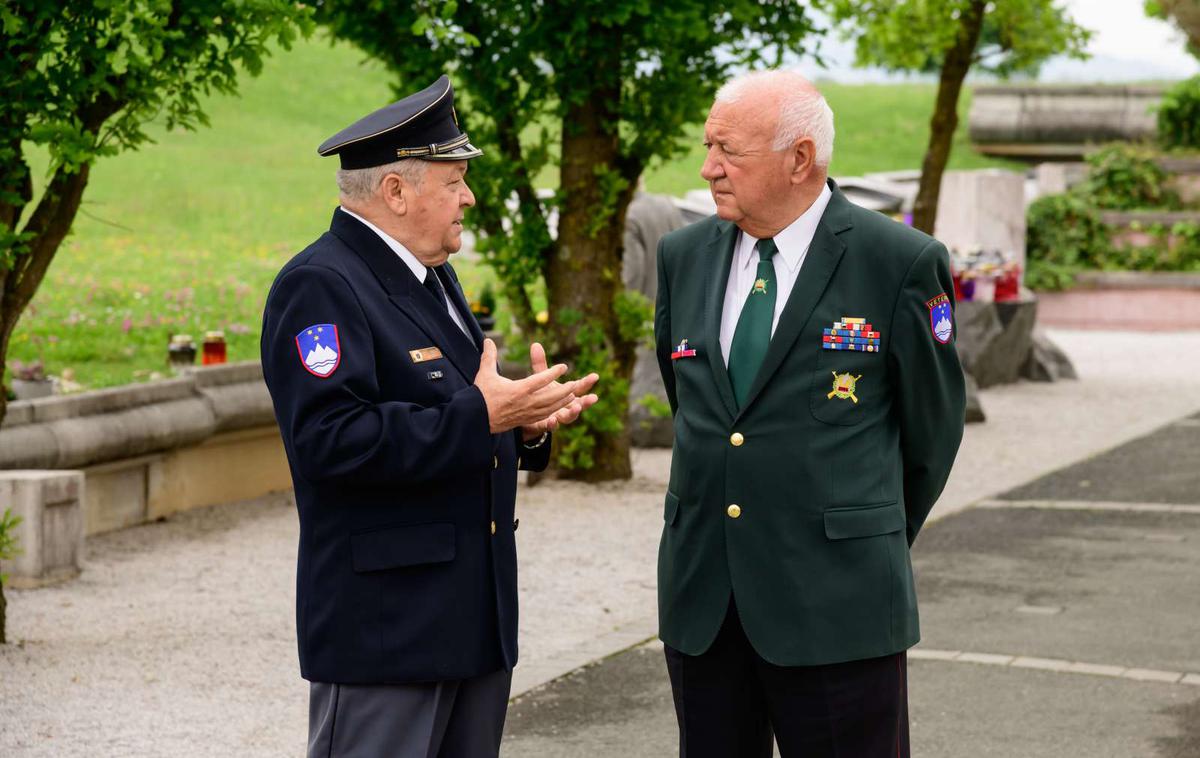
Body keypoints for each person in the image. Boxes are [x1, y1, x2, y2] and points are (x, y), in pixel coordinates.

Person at [260, 75, 598, 758]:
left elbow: (463, 411)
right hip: (388, 635)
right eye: (454, 181)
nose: (469, 197)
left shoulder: (431, 273)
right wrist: (483, 414)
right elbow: (330, 442)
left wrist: (524, 421)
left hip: (471, 623)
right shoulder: (322, 285)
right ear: (395, 191)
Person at [653, 69, 966, 758]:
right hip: (705, 601)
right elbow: (704, 414)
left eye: (728, 150)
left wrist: (855, 538)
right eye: (709, 147)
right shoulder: (684, 256)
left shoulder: (899, 262)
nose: (709, 168)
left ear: (799, 159)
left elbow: (932, 434)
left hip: (838, 607)